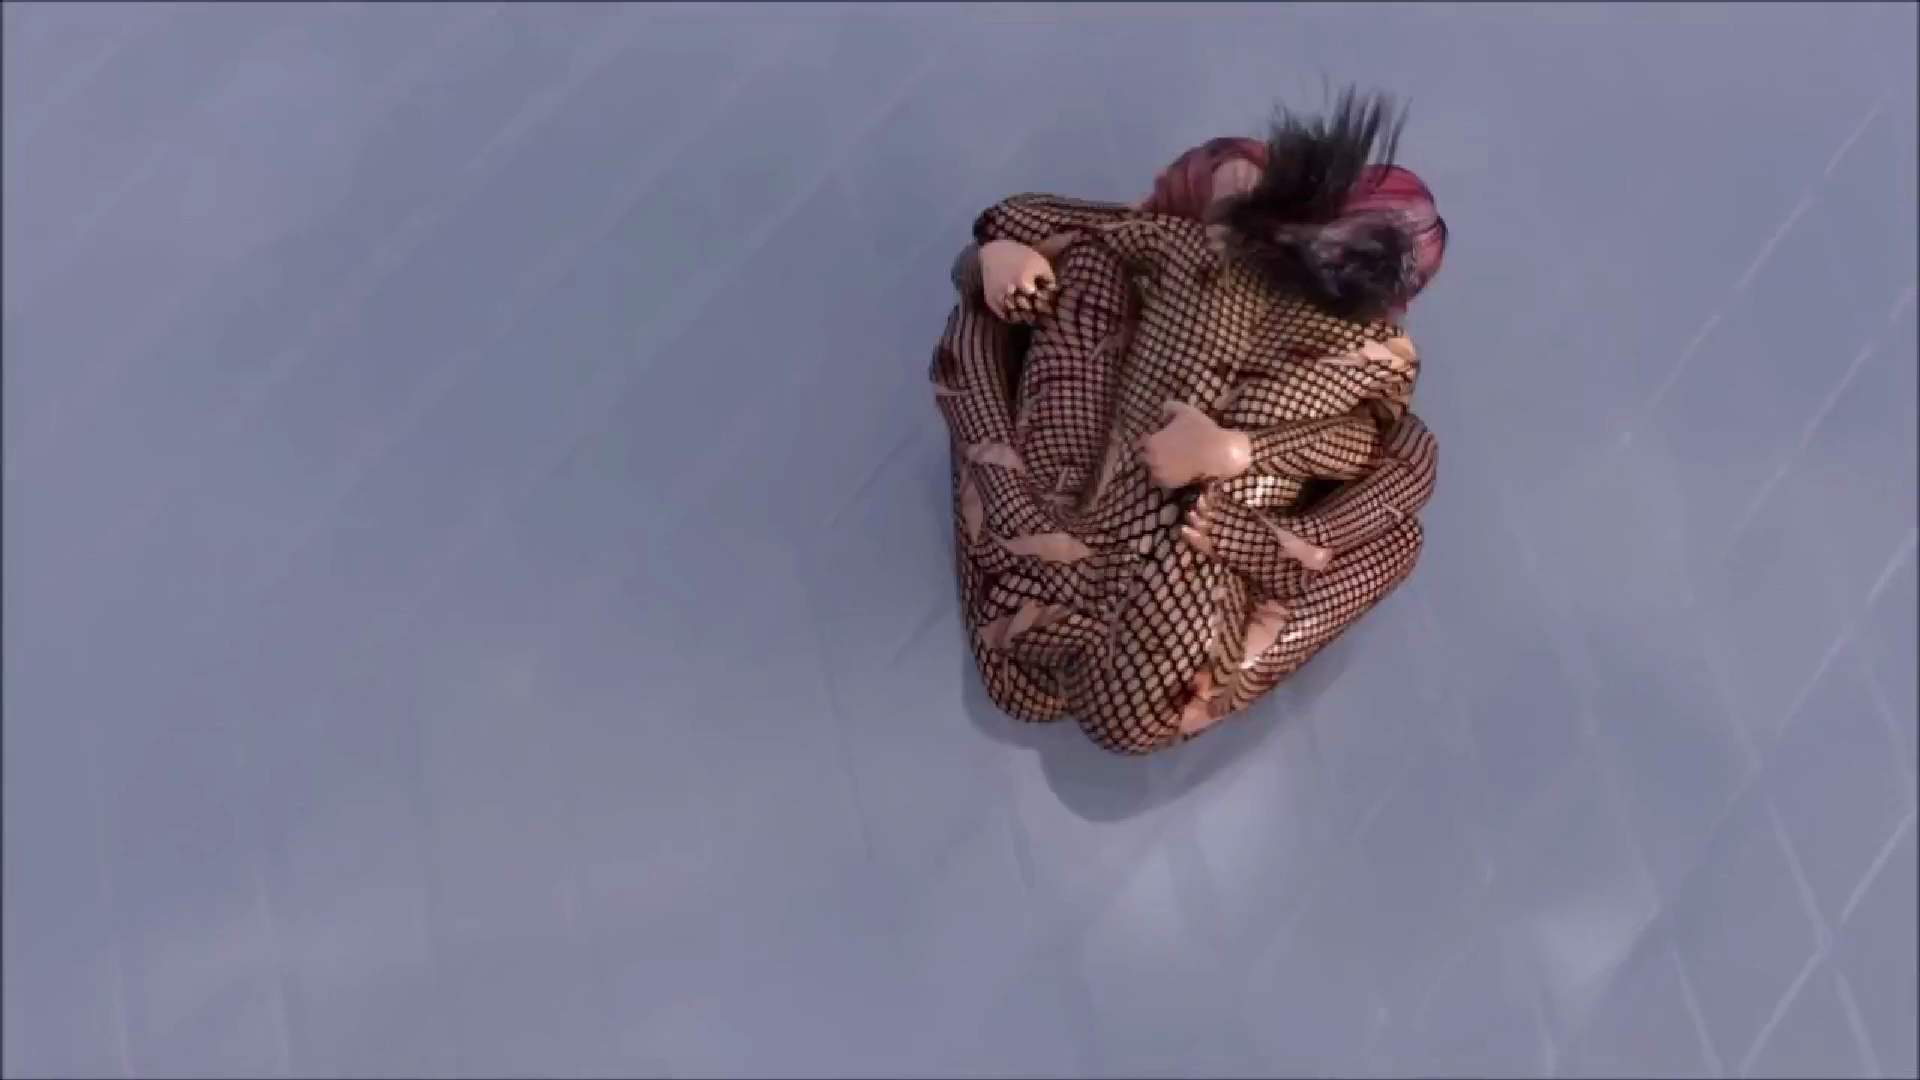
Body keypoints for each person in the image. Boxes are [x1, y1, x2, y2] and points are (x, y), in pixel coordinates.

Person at [935, 89, 1447, 754]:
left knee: (1402, 491)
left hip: (1181, 636)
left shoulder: (1369, 356)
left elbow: (1367, 451)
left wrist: (1240, 457)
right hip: (1061, 545)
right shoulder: (1196, 247)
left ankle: (1255, 599)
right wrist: (993, 263)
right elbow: (1013, 230)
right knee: (1052, 280)